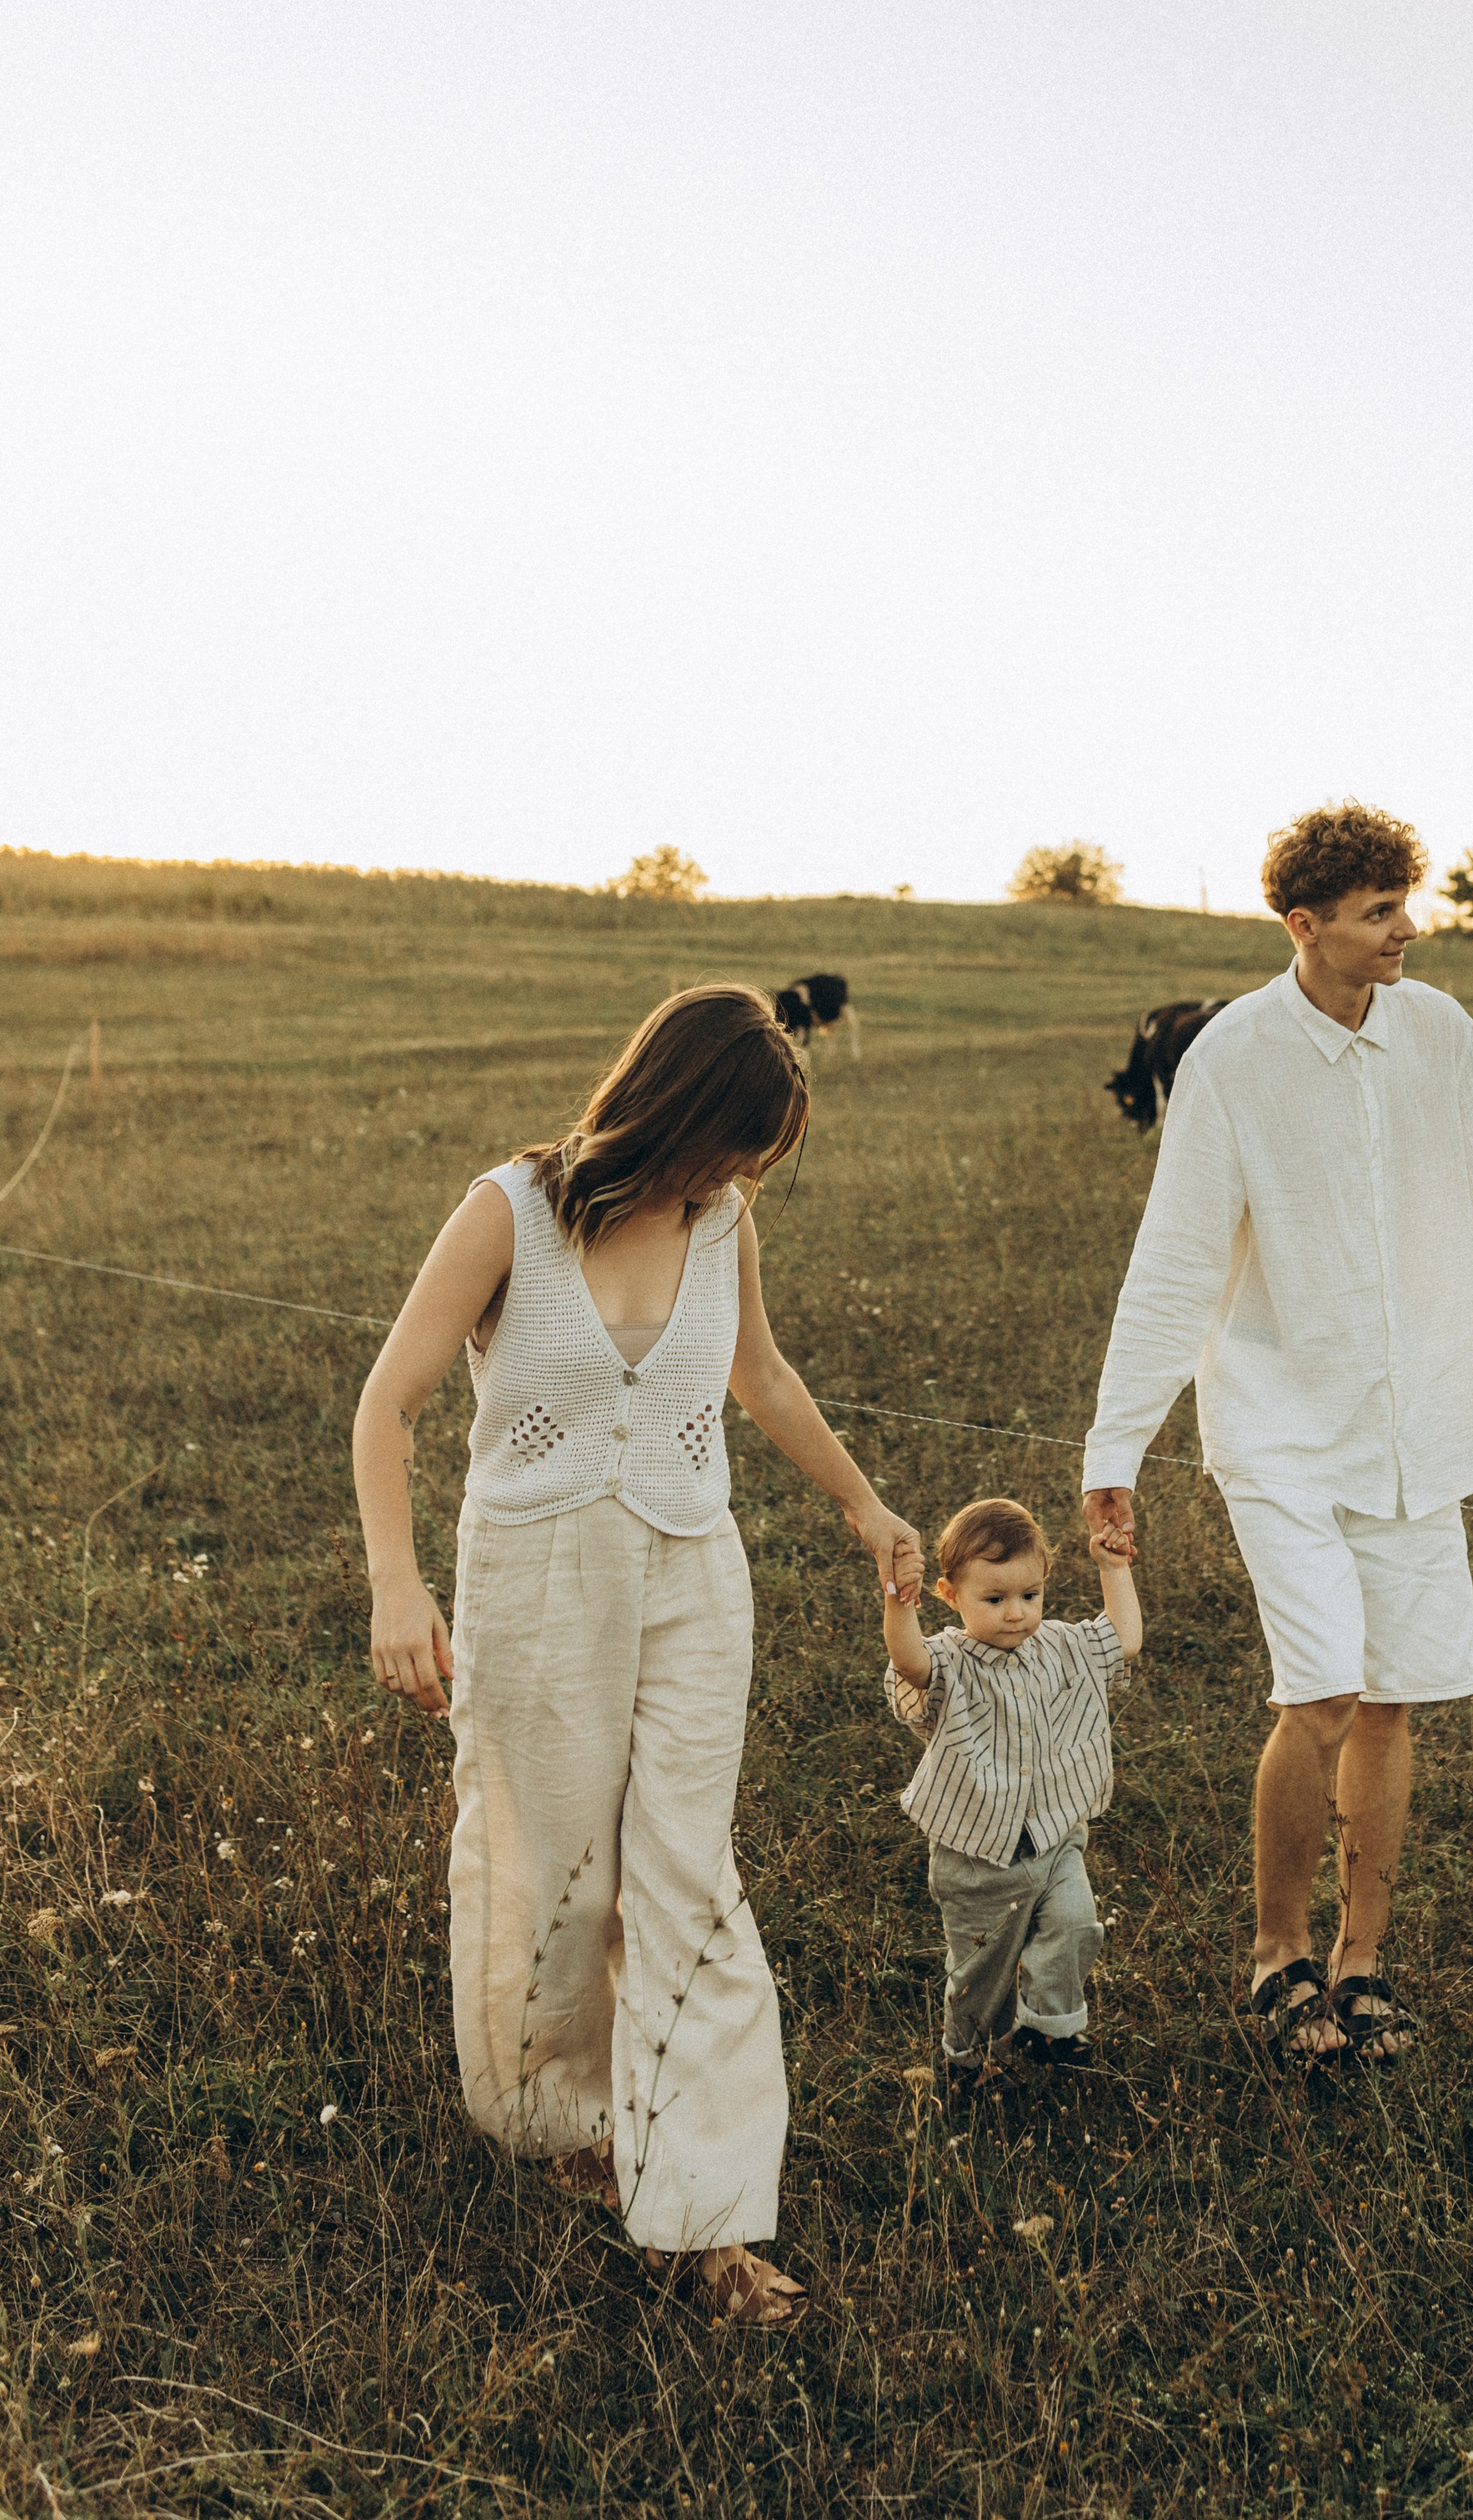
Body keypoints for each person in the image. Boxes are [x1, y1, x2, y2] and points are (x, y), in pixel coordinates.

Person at [351, 983, 919, 2327]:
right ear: (671, 1109)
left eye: (755, 1161)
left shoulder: (724, 1224)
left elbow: (761, 1379)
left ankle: (706, 2219)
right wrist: (394, 1580)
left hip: (691, 1575)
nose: (734, 1179)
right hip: (535, 1581)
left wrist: (864, 1504)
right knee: (549, 1869)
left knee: (686, 1876)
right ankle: (559, 2127)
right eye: (728, 1146)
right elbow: (390, 1402)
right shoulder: (509, 1211)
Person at [1080, 803, 1473, 2065]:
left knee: (1393, 1704)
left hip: (1418, 1428)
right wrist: (1115, 1447)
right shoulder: (1232, 1060)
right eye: (1377, 914)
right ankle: (1277, 1952)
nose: (1404, 931)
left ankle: (1362, 1963)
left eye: (1406, 906)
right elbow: (1176, 1267)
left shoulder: (1439, 1034)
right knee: (1322, 1691)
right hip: (1282, 1430)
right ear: (1304, 928)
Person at [880, 1495, 1143, 2108]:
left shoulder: (1062, 1645)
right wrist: (899, 1603)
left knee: (1077, 1924)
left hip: (1054, 1839)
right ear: (950, 1595)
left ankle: (1051, 2030)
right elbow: (908, 1661)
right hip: (975, 1857)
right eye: (993, 1600)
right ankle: (967, 2062)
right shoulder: (948, 1660)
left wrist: (1114, 1568)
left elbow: (1123, 1640)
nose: (1016, 1614)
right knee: (981, 1976)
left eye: (1030, 1596)